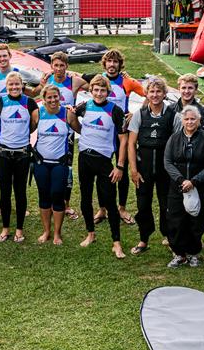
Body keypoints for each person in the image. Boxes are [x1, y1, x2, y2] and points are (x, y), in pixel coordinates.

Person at [82, 49, 145, 226]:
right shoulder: (98, 79)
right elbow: (75, 77)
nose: (112, 65)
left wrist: (136, 113)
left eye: (115, 62)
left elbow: (148, 95)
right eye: (109, 61)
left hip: (120, 132)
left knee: (121, 169)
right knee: (101, 170)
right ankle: (102, 208)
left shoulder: (127, 81)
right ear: (104, 64)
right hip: (103, 133)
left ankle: (122, 208)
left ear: (120, 64)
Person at [69, 75, 128, 259]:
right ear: (91, 90)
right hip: (85, 158)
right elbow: (72, 117)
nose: (99, 93)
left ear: (108, 92)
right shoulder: (85, 106)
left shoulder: (115, 110)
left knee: (110, 201)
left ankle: (116, 243)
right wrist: (81, 130)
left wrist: (119, 166)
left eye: (103, 90)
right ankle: (90, 234)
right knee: (85, 198)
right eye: (96, 90)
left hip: (104, 161)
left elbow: (123, 139)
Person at [29, 52, 87, 220]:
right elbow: (33, 94)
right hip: (49, 132)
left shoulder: (73, 81)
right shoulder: (47, 81)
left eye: (62, 65)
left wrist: (80, 107)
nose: (59, 69)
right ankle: (52, 203)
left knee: (67, 170)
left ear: (66, 66)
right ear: (51, 66)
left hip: (67, 133)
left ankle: (66, 204)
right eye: (56, 65)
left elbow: (94, 86)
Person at [163, 105, 204, 268]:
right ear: (182, 120)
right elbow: (167, 162)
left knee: (197, 220)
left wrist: (194, 181)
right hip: (178, 187)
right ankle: (179, 254)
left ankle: (193, 252)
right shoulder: (174, 138)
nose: (189, 122)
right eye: (186, 119)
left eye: (193, 119)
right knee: (175, 220)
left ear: (199, 120)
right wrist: (180, 180)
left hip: (200, 186)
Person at [127, 77, 175, 255]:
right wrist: (133, 170)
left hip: (165, 169)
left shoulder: (172, 115)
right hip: (143, 168)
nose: (155, 95)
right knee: (143, 205)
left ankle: (169, 238)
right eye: (151, 91)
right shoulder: (140, 114)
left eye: (158, 91)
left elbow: (178, 142)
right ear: (146, 93)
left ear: (164, 93)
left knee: (166, 205)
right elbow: (131, 144)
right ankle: (143, 239)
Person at [0, 72, 39, 243]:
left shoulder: (29, 102)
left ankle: (19, 229)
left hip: (22, 154)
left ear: (22, 85)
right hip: (3, 153)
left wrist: (25, 134)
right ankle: (5, 229)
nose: (14, 87)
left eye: (17, 84)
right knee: (4, 192)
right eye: (10, 85)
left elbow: (35, 123)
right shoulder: (1, 101)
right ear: (6, 86)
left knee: (20, 192)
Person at [33, 84, 76, 245]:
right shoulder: (38, 114)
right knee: (44, 196)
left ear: (60, 97)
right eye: (49, 97)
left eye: (55, 97)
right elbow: (27, 130)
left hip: (60, 163)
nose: (52, 100)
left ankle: (57, 233)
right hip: (41, 162)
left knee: (57, 195)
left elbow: (82, 130)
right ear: (43, 99)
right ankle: (46, 231)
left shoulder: (68, 114)